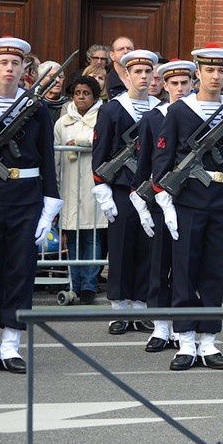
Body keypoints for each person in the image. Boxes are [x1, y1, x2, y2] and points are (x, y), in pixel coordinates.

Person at [0, 37, 62, 375]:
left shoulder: (35, 107)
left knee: (20, 269)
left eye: (15, 64)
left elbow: (47, 158)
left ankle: (12, 343)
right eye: (2, 63)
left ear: (23, 69)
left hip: (26, 196)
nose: (8, 69)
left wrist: (49, 207)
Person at [152, 44, 223, 370]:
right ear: (198, 73)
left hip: (220, 203)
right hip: (188, 202)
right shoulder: (180, 111)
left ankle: (208, 341)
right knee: (184, 273)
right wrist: (166, 203)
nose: (216, 76)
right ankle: (184, 341)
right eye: (210, 70)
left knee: (212, 273)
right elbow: (162, 163)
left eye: (221, 70)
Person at [91, 49, 161, 335]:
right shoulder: (112, 109)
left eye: (148, 72)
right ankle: (119, 309)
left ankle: (141, 306)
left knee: (147, 248)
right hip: (121, 187)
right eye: (138, 72)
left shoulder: (160, 109)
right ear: (127, 75)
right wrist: (102, 190)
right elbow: (101, 151)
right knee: (120, 249)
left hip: (149, 190)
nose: (144, 77)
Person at [131, 59, 195, 353]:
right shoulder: (153, 119)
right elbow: (145, 166)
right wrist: (142, 203)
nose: (180, 89)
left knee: (186, 268)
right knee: (159, 266)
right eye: (174, 84)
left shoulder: (198, 114)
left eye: (185, 83)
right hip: (159, 200)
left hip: (190, 201)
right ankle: (160, 327)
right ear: (165, 86)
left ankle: (185, 326)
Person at [53, 75, 105, 306]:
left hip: (93, 185)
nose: (82, 97)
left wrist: (81, 142)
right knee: (73, 237)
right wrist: (54, 187)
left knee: (92, 237)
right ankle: (74, 282)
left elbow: (103, 140)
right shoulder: (62, 122)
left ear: (94, 96)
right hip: (70, 184)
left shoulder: (103, 117)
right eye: (77, 93)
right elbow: (55, 156)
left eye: (86, 93)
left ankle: (89, 285)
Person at [38, 61, 69, 125]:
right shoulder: (36, 104)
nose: (57, 80)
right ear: (40, 79)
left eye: (60, 76)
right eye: (52, 76)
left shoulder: (69, 105)